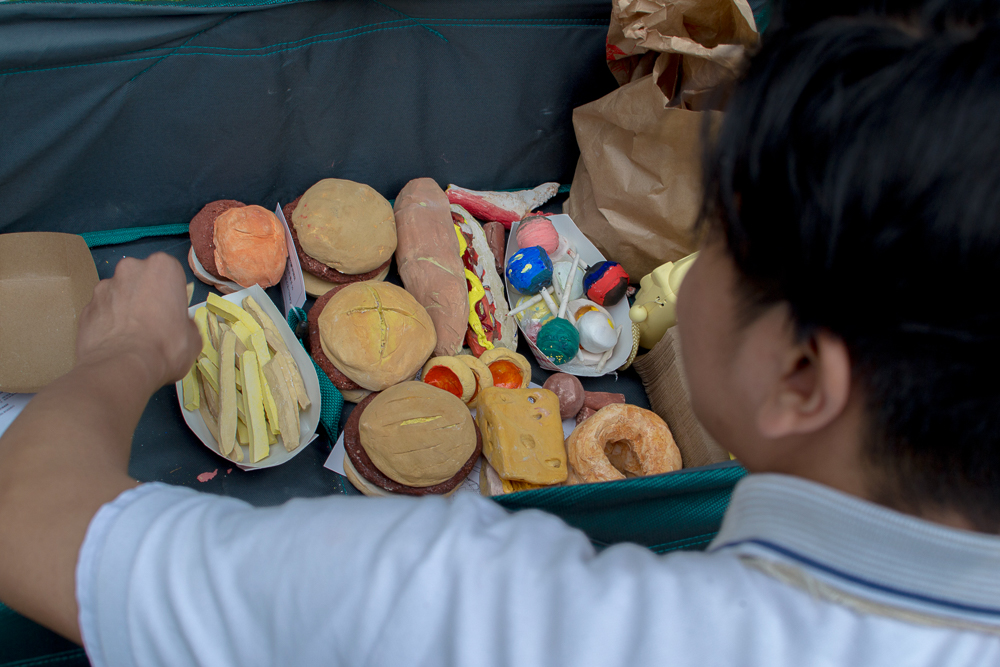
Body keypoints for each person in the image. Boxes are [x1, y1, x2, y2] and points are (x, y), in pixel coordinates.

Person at [2, 8, 1000, 667]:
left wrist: (126, 351)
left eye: (721, 234)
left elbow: (32, 520)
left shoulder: (469, 608)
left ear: (798, 373)